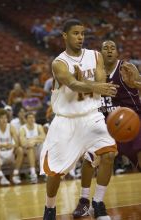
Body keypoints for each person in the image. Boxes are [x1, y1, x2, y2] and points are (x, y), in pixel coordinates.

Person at [40, 19, 119, 220]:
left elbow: (101, 81)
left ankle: (98, 203)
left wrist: (99, 85)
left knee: (109, 154)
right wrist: (94, 86)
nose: (80, 37)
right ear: (65, 36)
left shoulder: (95, 56)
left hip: (92, 116)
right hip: (66, 120)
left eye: (82, 33)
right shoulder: (59, 63)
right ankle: (50, 208)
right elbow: (72, 84)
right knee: (55, 173)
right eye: (75, 33)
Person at [73, 40, 141, 218]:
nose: (109, 50)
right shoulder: (93, 72)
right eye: (105, 48)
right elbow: (81, 98)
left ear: (117, 52)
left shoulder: (127, 69)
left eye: (113, 47)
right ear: (100, 53)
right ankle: (86, 201)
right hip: (103, 124)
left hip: (131, 122)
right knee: (91, 157)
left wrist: (135, 83)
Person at [0, 109, 23, 185]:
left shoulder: (11, 127)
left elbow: (17, 143)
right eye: (2, 118)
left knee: (20, 150)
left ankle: (15, 175)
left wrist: (12, 145)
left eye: (5, 118)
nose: (4, 120)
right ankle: (1, 176)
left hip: (10, 153)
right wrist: (1, 145)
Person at [19, 112, 45, 183]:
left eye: (33, 117)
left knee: (44, 146)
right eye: (29, 117)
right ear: (26, 119)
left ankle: (45, 171)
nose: (32, 119)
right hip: (27, 151)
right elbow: (23, 143)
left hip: (38, 148)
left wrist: (32, 140)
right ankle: (33, 174)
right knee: (30, 148)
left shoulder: (39, 126)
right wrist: (37, 139)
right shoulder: (22, 128)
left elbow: (44, 137)